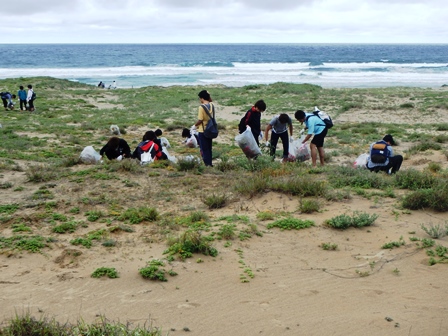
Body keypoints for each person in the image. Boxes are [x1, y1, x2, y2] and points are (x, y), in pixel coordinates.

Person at [192, 90, 215, 167]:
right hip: (210, 129)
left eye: (200, 98)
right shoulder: (212, 105)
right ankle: (210, 163)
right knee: (209, 148)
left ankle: (207, 164)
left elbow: (200, 120)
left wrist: (194, 126)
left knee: (204, 149)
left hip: (202, 130)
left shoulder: (201, 107)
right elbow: (210, 100)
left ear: (202, 98)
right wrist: (208, 94)